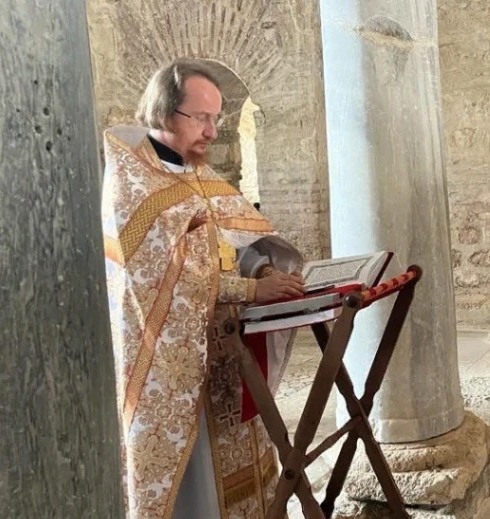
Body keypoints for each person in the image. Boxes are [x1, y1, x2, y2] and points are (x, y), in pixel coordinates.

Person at [102, 59, 307, 518]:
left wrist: (260, 272)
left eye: (217, 118)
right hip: (173, 364)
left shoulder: (199, 175)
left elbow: (238, 242)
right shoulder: (133, 183)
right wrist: (250, 293)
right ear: (164, 113)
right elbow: (156, 275)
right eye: (203, 118)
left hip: (226, 355)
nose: (213, 132)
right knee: (196, 488)